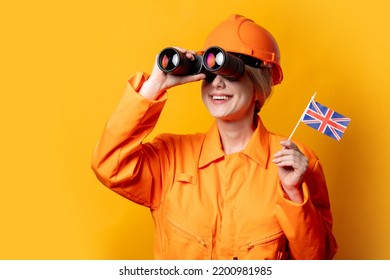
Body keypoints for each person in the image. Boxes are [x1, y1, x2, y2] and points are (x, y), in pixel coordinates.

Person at [91, 14, 338, 260]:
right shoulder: (171, 157)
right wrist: (156, 84)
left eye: (230, 73)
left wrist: (294, 194)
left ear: (258, 86)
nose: (217, 84)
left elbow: (317, 260)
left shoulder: (294, 162)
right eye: (209, 74)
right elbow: (109, 164)